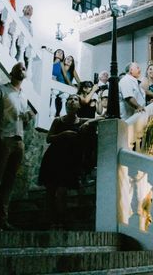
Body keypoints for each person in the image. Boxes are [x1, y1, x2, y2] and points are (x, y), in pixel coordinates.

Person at [0, 62, 34, 230]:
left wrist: (26, 118)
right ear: (11, 72)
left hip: (19, 141)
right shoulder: (0, 90)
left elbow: (21, 121)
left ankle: (1, 219)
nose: (22, 69)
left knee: (9, 181)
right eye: (18, 67)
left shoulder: (24, 96)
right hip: (4, 139)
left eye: (24, 68)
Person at [38, 89, 100, 228]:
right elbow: (49, 138)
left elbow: (103, 117)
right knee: (50, 189)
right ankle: (49, 219)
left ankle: (61, 219)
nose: (72, 101)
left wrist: (87, 123)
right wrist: (63, 135)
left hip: (70, 160)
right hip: (54, 157)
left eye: (75, 99)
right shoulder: (58, 121)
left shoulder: (82, 121)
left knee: (62, 190)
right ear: (66, 104)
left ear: (79, 106)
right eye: (70, 99)